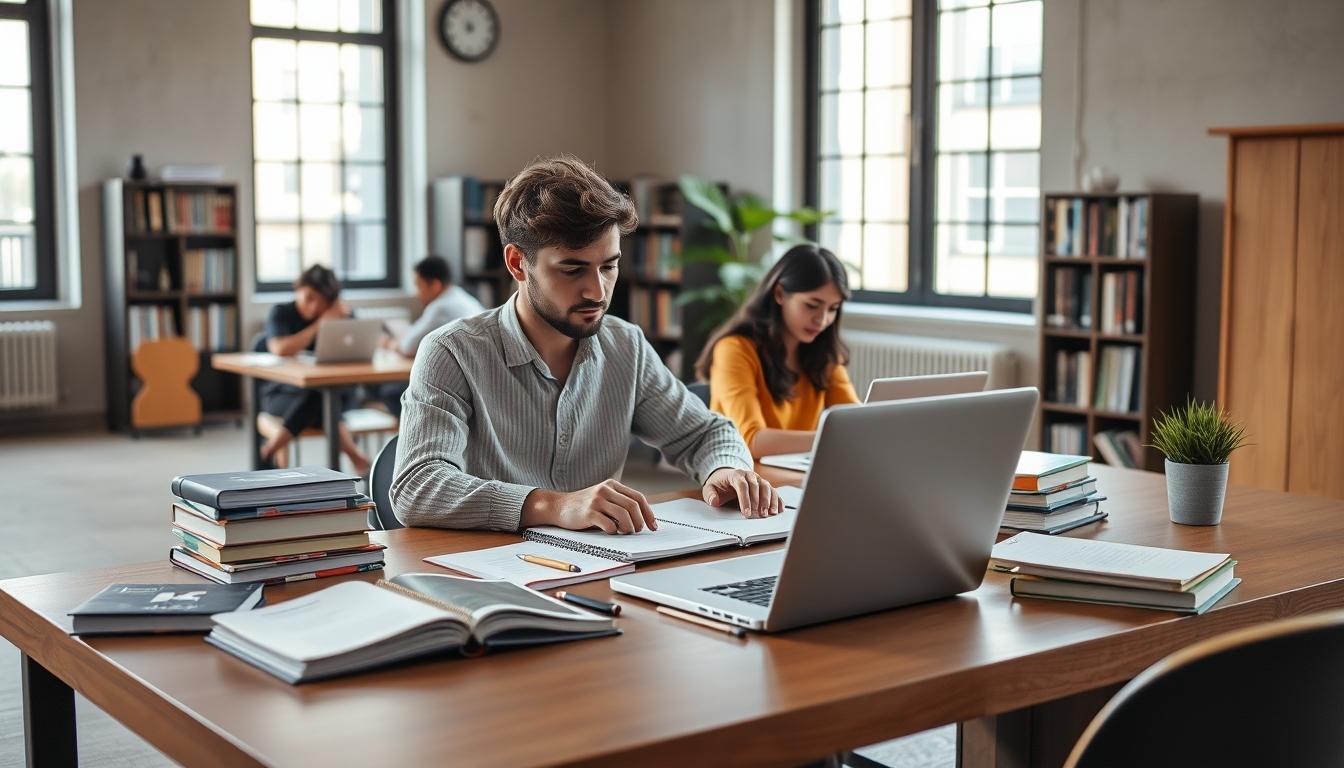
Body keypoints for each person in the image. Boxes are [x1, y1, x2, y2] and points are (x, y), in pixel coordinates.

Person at [391, 155, 784, 533]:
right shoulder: (452, 352)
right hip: (487, 566)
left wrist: (725, 469)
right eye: (572, 269)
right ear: (517, 264)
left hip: (603, 565)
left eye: (609, 266)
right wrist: (554, 506)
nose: (597, 291)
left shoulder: (626, 346)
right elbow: (417, 486)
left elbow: (704, 434)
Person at [695, 244, 859, 459]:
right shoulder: (734, 349)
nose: (822, 319)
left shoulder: (824, 355)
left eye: (833, 309)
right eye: (812, 305)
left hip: (793, 471)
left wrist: (854, 434)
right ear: (780, 294)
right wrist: (835, 438)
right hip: (742, 472)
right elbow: (750, 439)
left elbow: (855, 422)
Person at [258, 265, 371, 474]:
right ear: (298, 289)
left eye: (321, 301)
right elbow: (280, 348)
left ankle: (275, 444)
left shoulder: (340, 315)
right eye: (309, 297)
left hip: (336, 393)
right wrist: (321, 324)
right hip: (284, 393)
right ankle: (355, 457)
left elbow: (360, 349)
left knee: (325, 398)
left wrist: (341, 321)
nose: (313, 306)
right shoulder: (281, 312)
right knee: (324, 402)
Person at [376, 255, 484, 417]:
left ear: (434, 285)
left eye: (418, 286)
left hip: (455, 385)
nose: (417, 293)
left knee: (389, 392)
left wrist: (389, 343)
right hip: (476, 382)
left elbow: (408, 348)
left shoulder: (441, 308)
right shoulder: (464, 298)